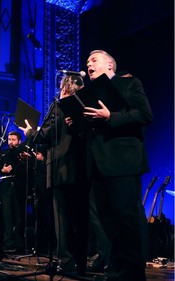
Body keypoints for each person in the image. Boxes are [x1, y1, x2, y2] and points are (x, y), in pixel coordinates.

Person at [83, 50, 152, 281]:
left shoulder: (129, 83)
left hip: (124, 161)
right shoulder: (89, 93)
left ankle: (133, 271)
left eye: (94, 60)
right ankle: (116, 268)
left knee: (127, 217)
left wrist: (111, 116)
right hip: (98, 163)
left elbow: (144, 115)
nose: (89, 64)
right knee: (106, 219)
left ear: (110, 65)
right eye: (87, 62)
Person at [19, 75, 89, 277]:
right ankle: (80, 261)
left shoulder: (60, 107)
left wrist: (29, 132)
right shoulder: (83, 107)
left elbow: (44, 136)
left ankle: (65, 262)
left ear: (65, 89)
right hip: (80, 169)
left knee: (63, 220)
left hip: (60, 167)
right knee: (79, 218)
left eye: (61, 88)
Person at [0, 131, 32, 254]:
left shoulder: (24, 153)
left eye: (13, 139)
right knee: (7, 217)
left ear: (19, 141)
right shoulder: (4, 153)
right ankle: (8, 243)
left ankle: (19, 244)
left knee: (19, 218)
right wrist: (2, 170)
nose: (11, 142)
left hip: (19, 188)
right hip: (7, 187)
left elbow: (27, 172)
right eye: (9, 139)